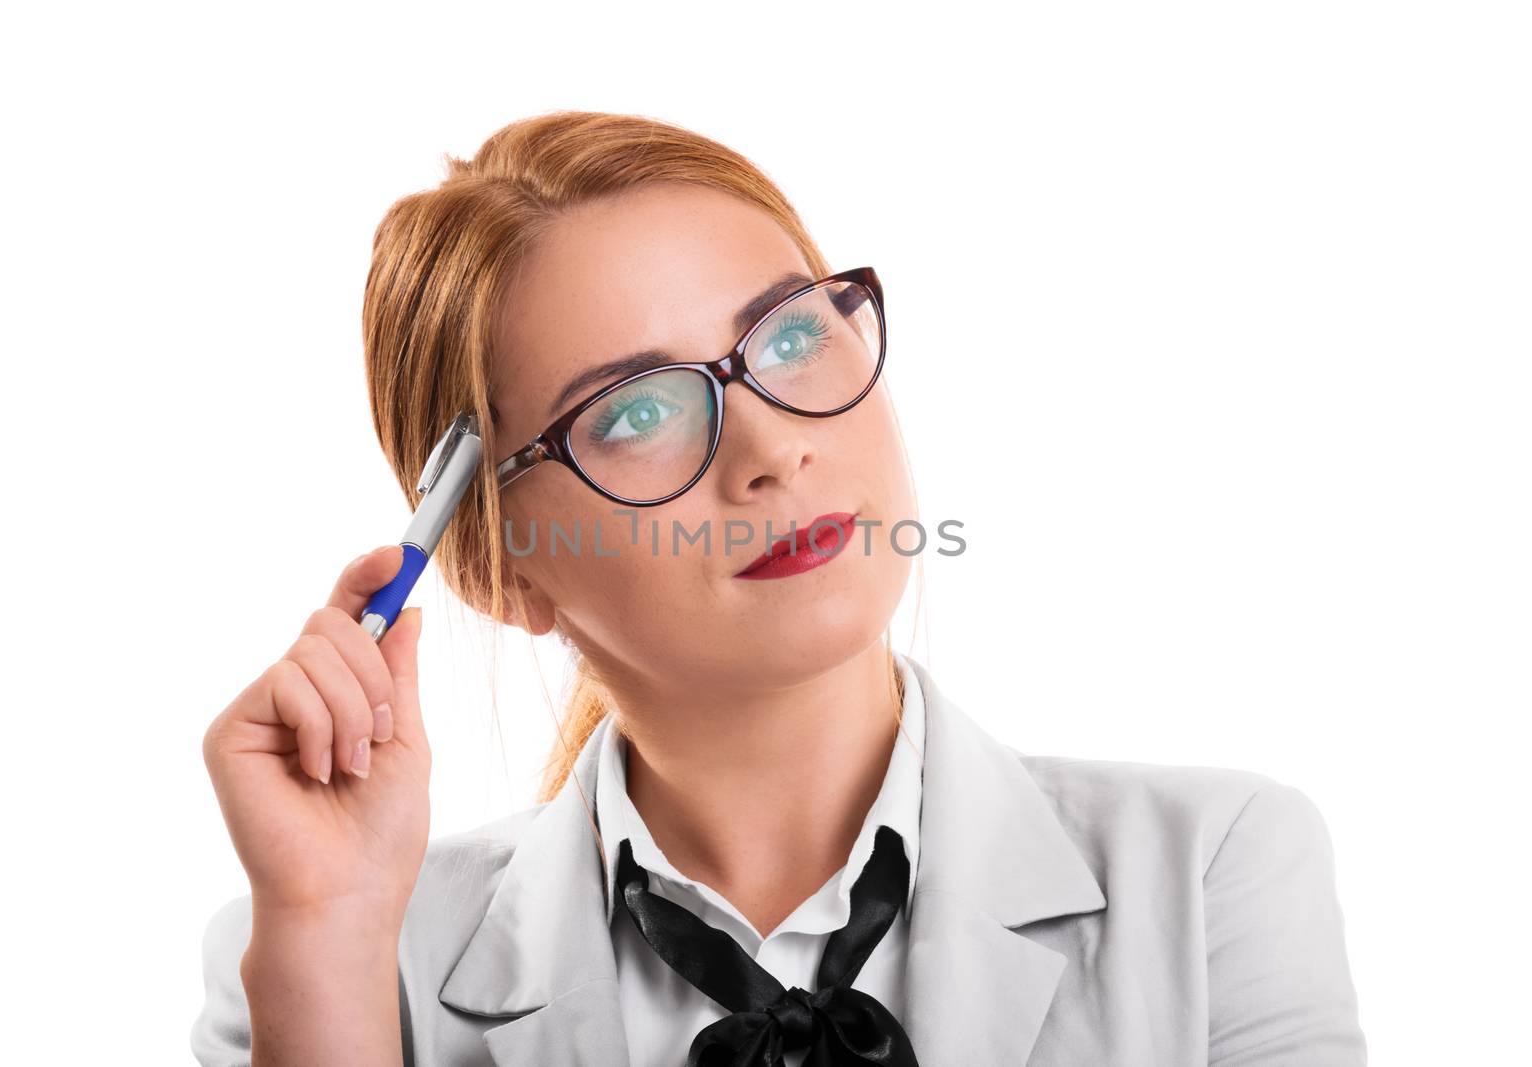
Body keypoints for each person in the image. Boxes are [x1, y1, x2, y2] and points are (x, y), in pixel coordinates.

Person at [192, 110, 1367, 1066]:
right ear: (503, 573)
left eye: (791, 339)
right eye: (637, 410)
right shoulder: (323, 951)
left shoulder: (1214, 869)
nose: (770, 448)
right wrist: (331, 939)